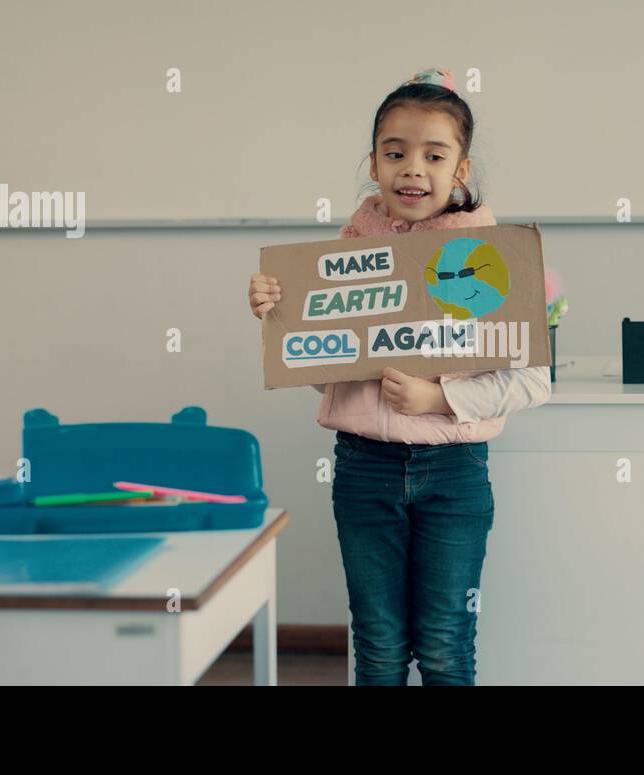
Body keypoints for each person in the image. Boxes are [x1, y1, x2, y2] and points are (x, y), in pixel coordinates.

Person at [249, 68, 551, 685]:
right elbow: (326, 369)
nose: (412, 168)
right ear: (374, 162)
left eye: (433, 155)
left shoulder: (492, 256)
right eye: (395, 153)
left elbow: (532, 382)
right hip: (364, 466)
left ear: (460, 170)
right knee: (379, 643)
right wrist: (280, 317)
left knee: (445, 642)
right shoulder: (349, 249)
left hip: (455, 473)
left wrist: (438, 396)